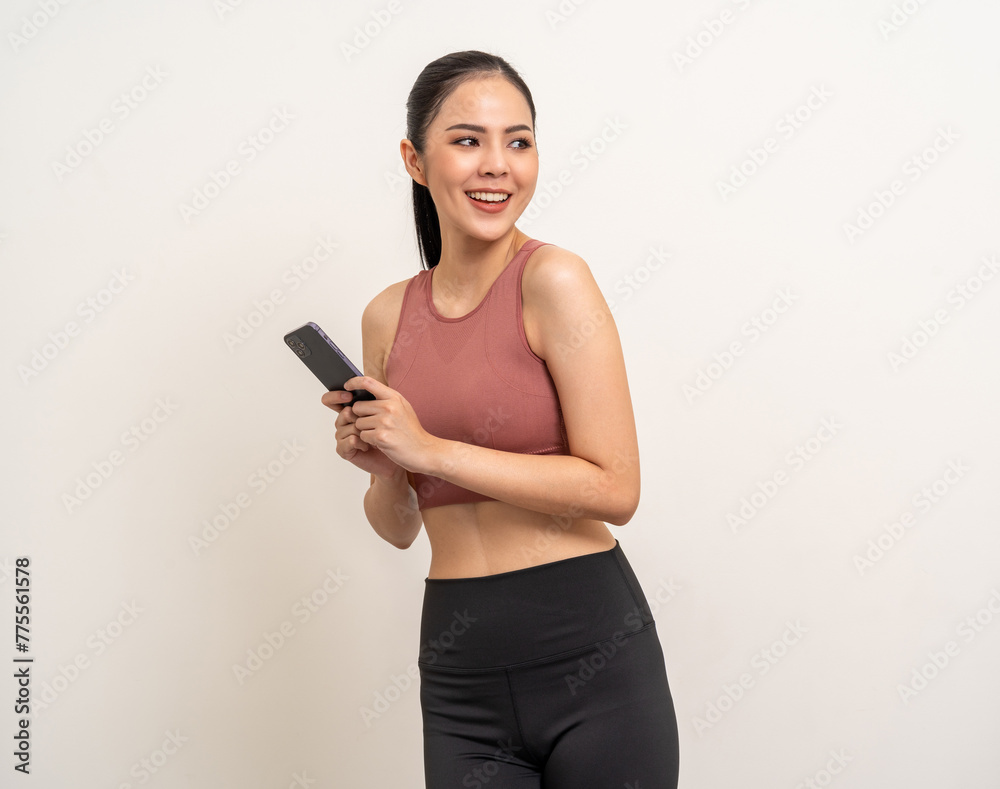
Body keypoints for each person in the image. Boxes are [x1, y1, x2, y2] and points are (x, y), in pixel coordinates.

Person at [323, 50, 679, 789]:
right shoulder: (387, 315)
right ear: (415, 160)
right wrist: (390, 466)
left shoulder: (554, 280)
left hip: (594, 656)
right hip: (462, 675)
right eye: (467, 140)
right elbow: (397, 528)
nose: (498, 165)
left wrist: (431, 448)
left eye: (518, 141)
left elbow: (617, 488)